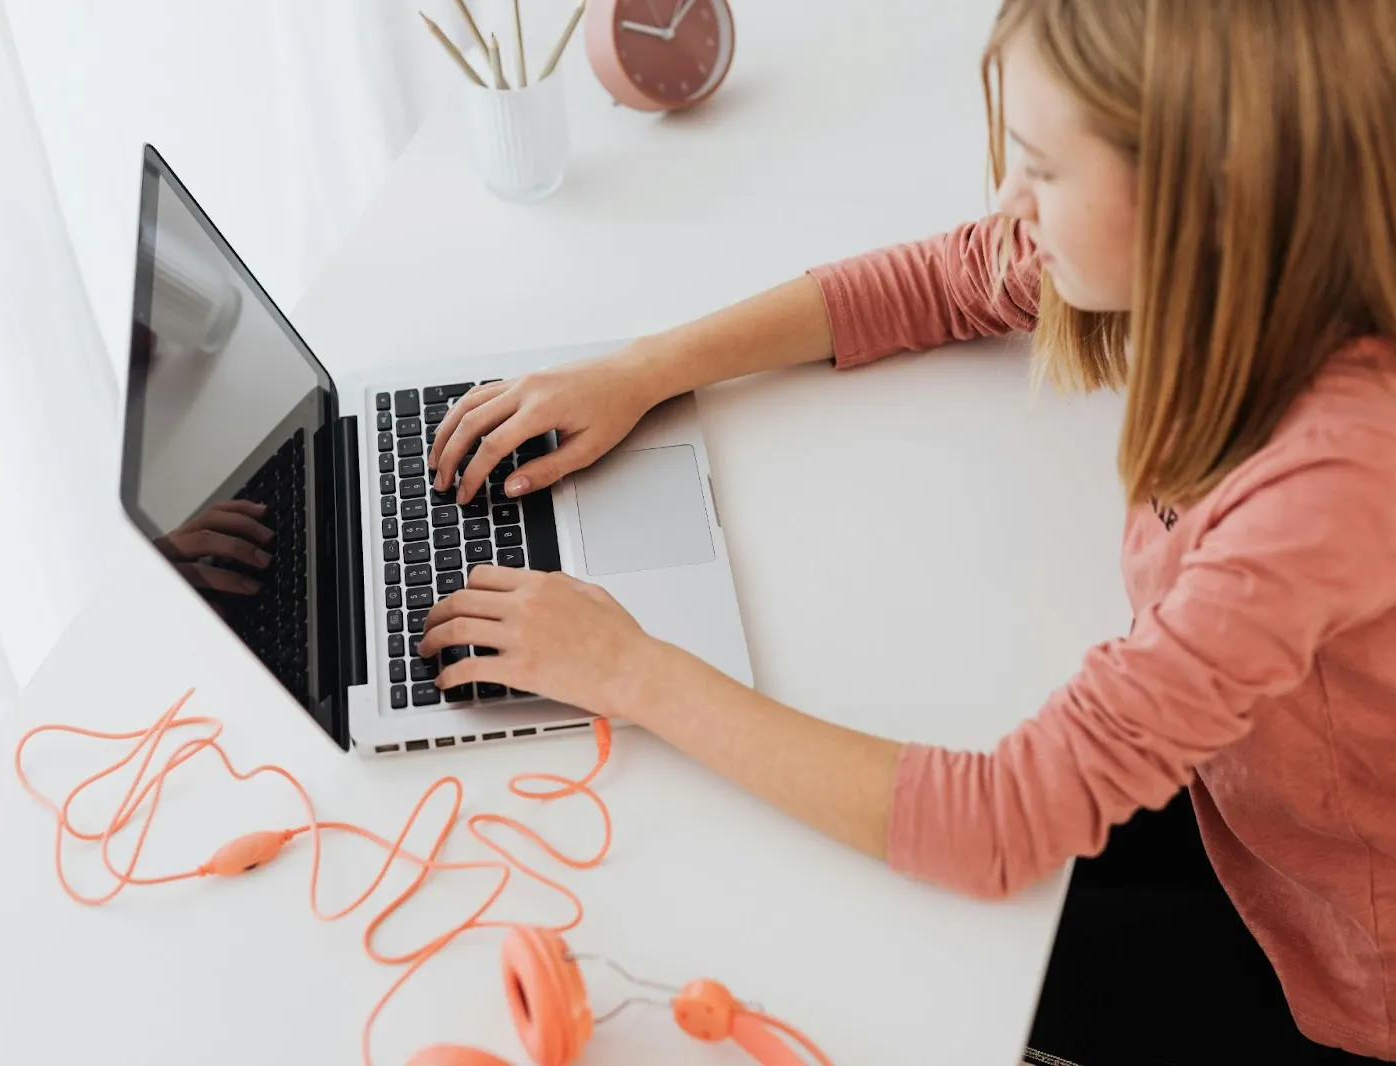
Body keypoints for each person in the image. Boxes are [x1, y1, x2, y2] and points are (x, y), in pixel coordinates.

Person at [414, 0, 1396, 1062]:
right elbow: (949, 276)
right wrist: (642, 368)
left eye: (1041, 169)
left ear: (1206, 196)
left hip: (1339, 963)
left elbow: (999, 822)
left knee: (895, 981)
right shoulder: (1252, 276)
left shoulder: (1327, 484)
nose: (1008, 202)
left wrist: (629, 670)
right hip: (1246, 815)